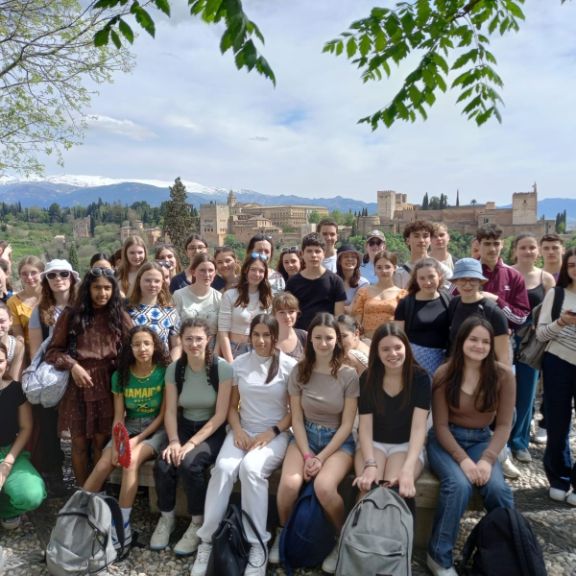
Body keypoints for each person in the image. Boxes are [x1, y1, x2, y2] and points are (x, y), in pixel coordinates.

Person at [191, 314, 297, 576]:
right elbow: (231, 406)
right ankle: (207, 540)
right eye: (256, 335)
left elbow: (294, 413)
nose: (261, 341)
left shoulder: (289, 365)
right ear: (249, 336)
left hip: (275, 434)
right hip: (243, 430)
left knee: (251, 470)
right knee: (224, 468)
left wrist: (271, 433)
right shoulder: (239, 363)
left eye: (267, 335)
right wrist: (237, 430)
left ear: (275, 336)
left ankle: (257, 544)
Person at [426, 317, 515, 576]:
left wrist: (487, 459)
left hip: (481, 440)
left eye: (485, 341)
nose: (479, 345)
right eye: (473, 339)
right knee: (458, 485)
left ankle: (507, 553)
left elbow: (504, 425)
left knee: (499, 490)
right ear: (462, 341)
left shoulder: (503, 375)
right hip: (446, 440)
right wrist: (463, 460)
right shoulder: (445, 373)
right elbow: (440, 426)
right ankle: (438, 555)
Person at [271, 313, 359, 574]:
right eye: (318, 337)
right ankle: (285, 533)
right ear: (310, 340)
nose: (323, 343)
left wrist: (321, 458)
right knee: (288, 485)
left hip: (338, 441)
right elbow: (296, 419)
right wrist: (309, 455)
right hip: (304, 436)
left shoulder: (348, 374)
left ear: (337, 340)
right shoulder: (300, 370)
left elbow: (346, 425)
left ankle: (341, 536)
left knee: (324, 487)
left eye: (329, 338)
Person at [150, 318, 233, 555]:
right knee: (165, 463)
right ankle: (167, 518)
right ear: (181, 341)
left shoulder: (222, 368)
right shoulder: (174, 369)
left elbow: (220, 416)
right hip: (184, 425)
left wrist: (191, 444)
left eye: (199, 339)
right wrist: (175, 441)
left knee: (190, 464)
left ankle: (197, 522)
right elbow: (170, 410)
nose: (194, 343)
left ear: (208, 340)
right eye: (188, 339)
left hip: (212, 429)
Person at [45, 267, 133, 485]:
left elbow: (134, 342)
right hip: (79, 385)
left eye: (107, 288)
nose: (102, 293)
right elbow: (52, 351)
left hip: (108, 385)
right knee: (79, 444)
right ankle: (83, 493)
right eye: (96, 287)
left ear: (114, 290)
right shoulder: (71, 314)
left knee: (101, 443)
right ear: (87, 288)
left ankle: (98, 492)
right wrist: (73, 365)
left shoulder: (118, 315)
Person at [83, 327, 170, 545]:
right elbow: (119, 416)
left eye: (147, 344)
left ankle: (122, 526)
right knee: (104, 463)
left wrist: (134, 442)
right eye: (137, 344)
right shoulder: (120, 375)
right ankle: (75, 514)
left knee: (130, 461)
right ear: (129, 348)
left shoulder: (164, 372)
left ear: (155, 346)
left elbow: (162, 416)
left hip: (154, 430)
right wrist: (118, 440)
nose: (142, 349)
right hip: (128, 427)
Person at [353, 324, 430, 507]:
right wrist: (370, 464)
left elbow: (419, 427)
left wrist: (408, 468)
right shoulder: (368, 378)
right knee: (368, 489)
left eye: (397, 347)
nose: (393, 354)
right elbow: (364, 426)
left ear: (406, 348)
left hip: (405, 446)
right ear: (377, 352)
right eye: (385, 349)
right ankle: (356, 534)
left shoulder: (420, 378)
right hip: (373, 444)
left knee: (391, 492)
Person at [28, 259, 79, 495]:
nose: (58, 279)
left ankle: (84, 474)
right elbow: (37, 351)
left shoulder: (83, 308)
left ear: (72, 277)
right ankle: (54, 474)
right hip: (53, 375)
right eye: (52, 275)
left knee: (81, 427)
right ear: (46, 280)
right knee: (49, 424)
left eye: (63, 274)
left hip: (80, 372)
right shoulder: (39, 312)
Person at [509, 234, 555, 464]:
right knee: (504, 390)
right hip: (507, 336)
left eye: (531, 247)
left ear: (538, 252)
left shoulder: (546, 279)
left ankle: (519, 442)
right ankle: (502, 441)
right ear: (515, 250)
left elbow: (551, 311)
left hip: (533, 339)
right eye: (523, 247)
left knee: (527, 392)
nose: (527, 251)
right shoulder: (507, 273)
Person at [536, 248, 576, 506]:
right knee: (558, 423)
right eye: (572, 264)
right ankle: (559, 476)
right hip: (558, 362)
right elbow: (540, 335)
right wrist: (561, 323)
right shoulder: (557, 294)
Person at [0, 343, 46, 529]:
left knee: (31, 494)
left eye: (0, 360)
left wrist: (8, 462)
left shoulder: (16, 390)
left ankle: (6, 510)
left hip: (9, 451)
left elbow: (26, 427)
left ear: (6, 364)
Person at [394, 258, 451, 377]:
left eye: (431, 277)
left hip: (444, 363)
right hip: (414, 363)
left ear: (439, 276)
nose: (427, 282)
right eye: (422, 278)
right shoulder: (406, 304)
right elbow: (398, 337)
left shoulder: (448, 300)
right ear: (416, 280)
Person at [447, 258, 510, 364]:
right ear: (455, 282)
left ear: (480, 282)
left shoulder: (493, 312)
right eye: (462, 279)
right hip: (456, 369)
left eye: (473, 280)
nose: (467, 285)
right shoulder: (454, 303)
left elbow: (503, 359)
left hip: (484, 373)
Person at [218, 254, 272, 363]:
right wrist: (230, 362)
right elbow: (223, 331)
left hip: (260, 350)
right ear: (245, 270)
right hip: (235, 350)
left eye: (261, 271)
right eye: (253, 269)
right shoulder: (230, 295)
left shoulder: (267, 298)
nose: (257, 274)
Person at [286, 233, 346, 331]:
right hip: (299, 334)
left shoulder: (336, 281)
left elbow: (338, 316)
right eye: (309, 251)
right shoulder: (292, 282)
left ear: (324, 253)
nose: (313, 255)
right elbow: (288, 312)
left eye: (317, 251)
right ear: (302, 254)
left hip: (326, 334)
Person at [127, 262, 181, 361]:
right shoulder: (127, 310)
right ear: (139, 281)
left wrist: (170, 367)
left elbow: (177, 345)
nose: (152, 285)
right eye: (147, 280)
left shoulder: (170, 311)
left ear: (162, 283)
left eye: (157, 281)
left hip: (161, 369)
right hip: (133, 367)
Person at [351, 251, 407, 338]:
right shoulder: (363, 292)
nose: (383, 271)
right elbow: (357, 321)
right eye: (379, 267)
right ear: (374, 269)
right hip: (367, 341)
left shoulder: (402, 294)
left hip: (391, 342)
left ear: (395, 268)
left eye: (387, 267)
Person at [172, 254, 222, 345]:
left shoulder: (219, 298)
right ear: (193, 272)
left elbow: (221, 332)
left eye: (210, 270)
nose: (207, 275)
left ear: (215, 273)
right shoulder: (179, 295)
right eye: (202, 270)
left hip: (211, 347)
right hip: (186, 347)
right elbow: (175, 330)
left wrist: (215, 354)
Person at [6, 256, 44, 356]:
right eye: (24, 274)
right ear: (20, 276)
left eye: (34, 273)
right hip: (29, 349)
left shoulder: (52, 296)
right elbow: (18, 333)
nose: (29, 277)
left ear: (42, 273)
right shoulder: (13, 302)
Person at [336, 244, 369, 314]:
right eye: (346, 257)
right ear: (339, 261)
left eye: (353, 257)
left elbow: (352, 309)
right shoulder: (332, 280)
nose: (350, 259)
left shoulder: (363, 283)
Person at [273, 292, 307, 359]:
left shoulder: (305, 336)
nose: (287, 316)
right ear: (274, 314)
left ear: (297, 313)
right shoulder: (267, 339)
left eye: (291, 311)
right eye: (282, 312)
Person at [0, 303, 24, 383]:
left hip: (6, 390)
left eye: (2, 321)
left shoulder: (17, 347)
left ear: (10, 321)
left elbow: (14, 379)